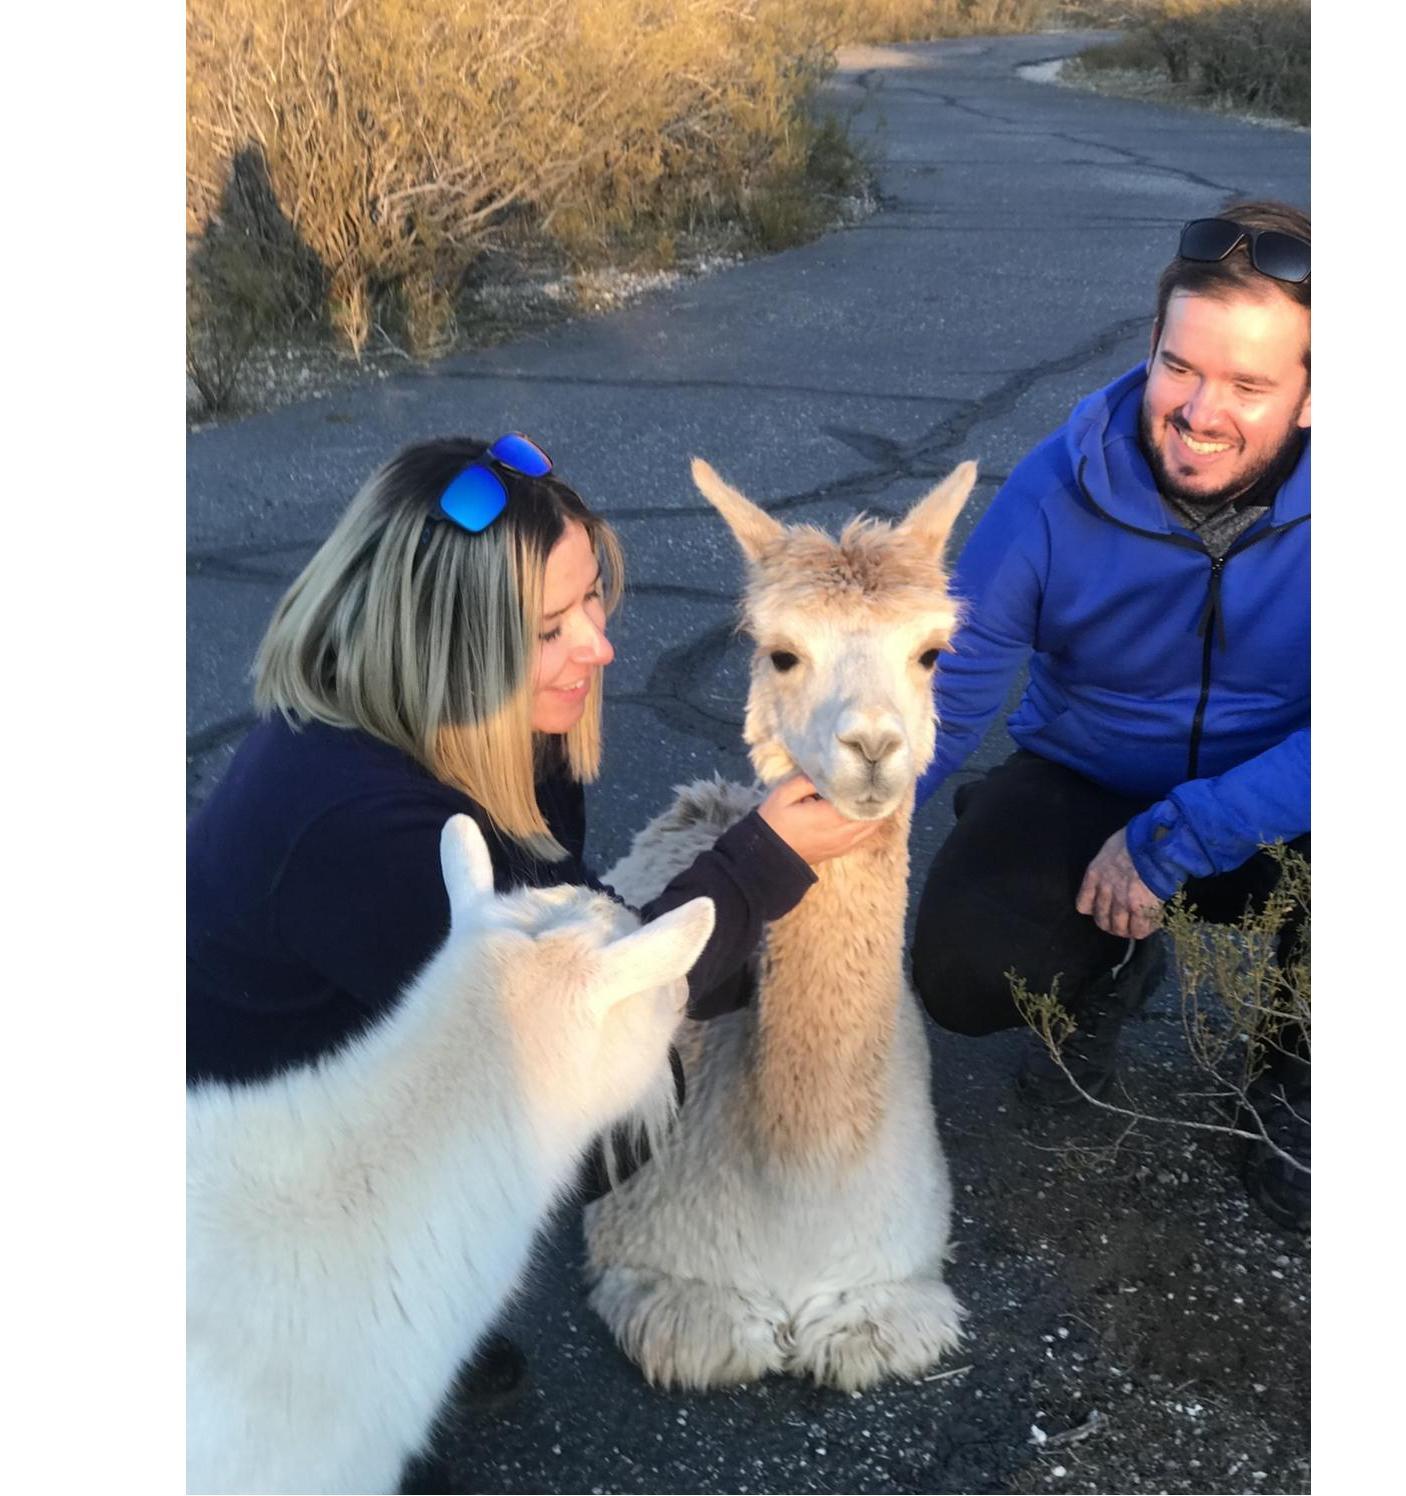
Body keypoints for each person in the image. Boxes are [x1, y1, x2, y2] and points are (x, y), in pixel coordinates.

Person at [187, 433, 883, 1419]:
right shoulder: (362, 825)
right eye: (548, 626)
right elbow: (565, 1060)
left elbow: (570, 919)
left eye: (591, 593)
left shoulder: (485, 728)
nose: (598, 644)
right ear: (445, 644)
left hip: (330, 1107)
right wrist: (755, 865)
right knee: (636, 1097)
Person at [910, 201, 1310, 1232]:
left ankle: (1297, 1069)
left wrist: (1179, 838)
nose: (1197, 409)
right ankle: (1104, 968)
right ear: (1150, 343)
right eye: (1179, 366)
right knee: (958, 971)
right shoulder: (1055, 484)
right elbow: (949, 690)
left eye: (1248, 384)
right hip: (1087, 773)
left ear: (1314, 397)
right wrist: (800, 855)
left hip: (1276, 796)